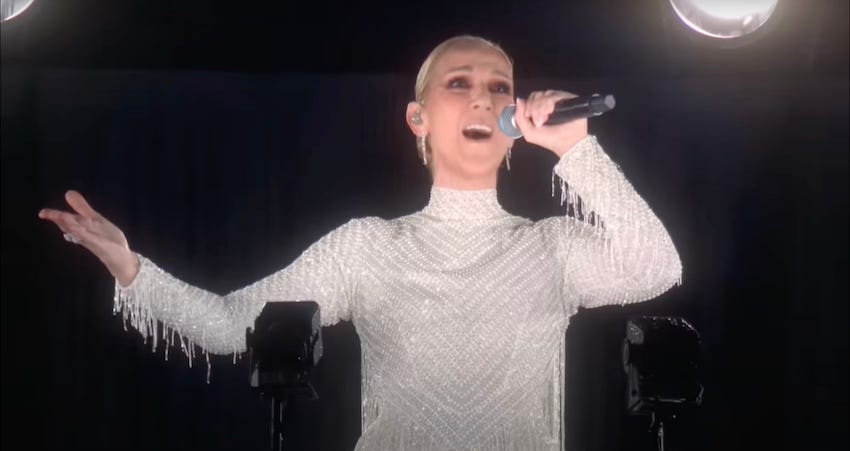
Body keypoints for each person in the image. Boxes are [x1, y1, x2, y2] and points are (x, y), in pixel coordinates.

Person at [38, 35, 682, 450]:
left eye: (499, 88)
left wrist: (575, 149)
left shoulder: (552, 249)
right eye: (459, 83)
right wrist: (131, 268)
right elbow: (232, 324)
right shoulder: (368, 248)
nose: (483, 101)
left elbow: (655, 266)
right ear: (418, 118)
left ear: (518, 119)